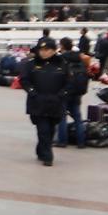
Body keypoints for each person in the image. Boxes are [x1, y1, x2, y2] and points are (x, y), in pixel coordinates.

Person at [19, 38, 69, 167]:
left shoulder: (62, 64)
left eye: (47, 50)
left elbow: (69, 82)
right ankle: (48, 156)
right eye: (41, 50)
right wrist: (32, 92)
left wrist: (62, 94)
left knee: (51, 130)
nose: (43, 52)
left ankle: (41, 149)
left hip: (55, 103)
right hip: (38, 103)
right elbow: (24, 80)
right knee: (43, 130)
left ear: (53, 51)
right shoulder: (31, 64)